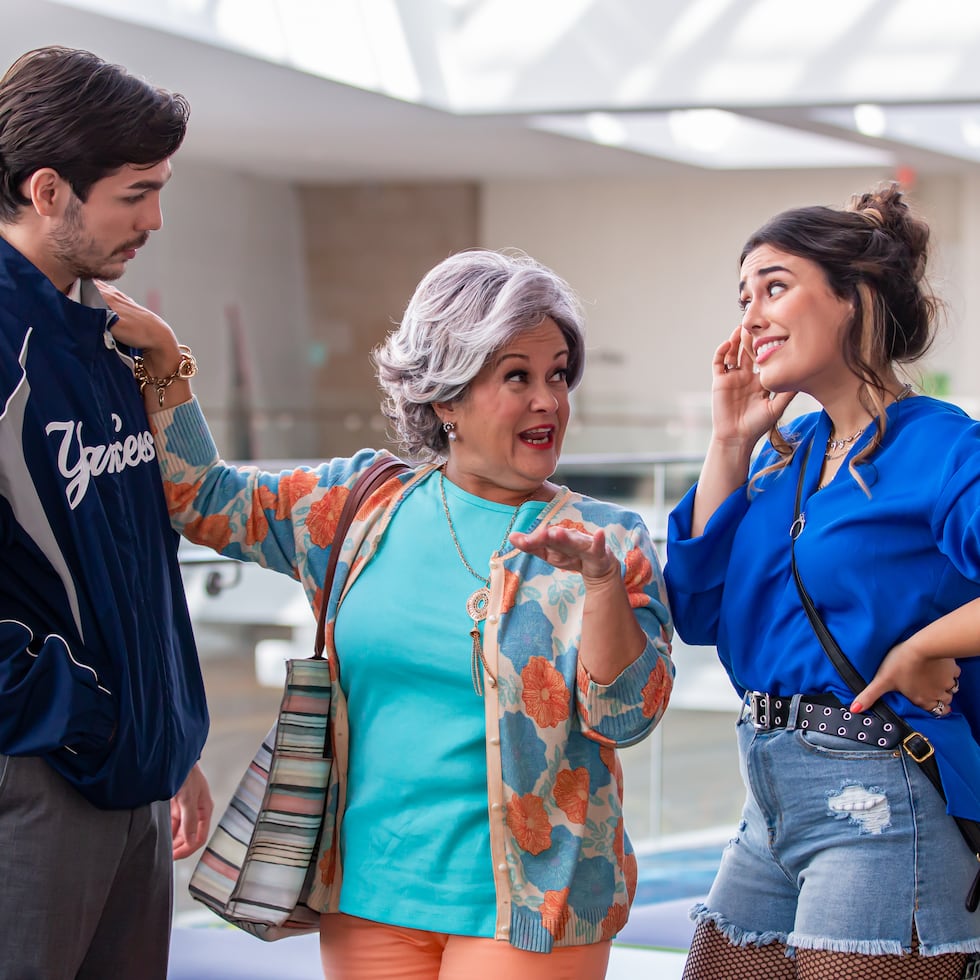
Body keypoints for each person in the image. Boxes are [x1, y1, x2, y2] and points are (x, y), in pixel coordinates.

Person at [101, 247, 675, 980]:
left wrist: (598, 586)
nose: (549, 401)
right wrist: (164, 366)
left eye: (558, 374)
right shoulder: (360, 504)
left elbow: (627, 717)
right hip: (368, 895)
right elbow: (203, 499)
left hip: (537, 909)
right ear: (446, 400)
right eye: (517, 377)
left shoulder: (608, 540)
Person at [665, 182, 980, 979]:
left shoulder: (940, 447)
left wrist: (923, 646)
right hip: (767, 801)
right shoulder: (786, 457)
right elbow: (697, 609)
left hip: (884, 800)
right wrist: (730, 441)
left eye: (775, 286)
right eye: (744, 297)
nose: (752, 316)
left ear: (853, 298)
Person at [0, 46, 212, 980]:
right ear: (48, 190)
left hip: (129, 770)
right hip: (39, 775)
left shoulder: (113, 337)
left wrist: (163, 728)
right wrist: (73, 713)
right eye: (135, 193)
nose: (155, 219)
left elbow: (172, 531)